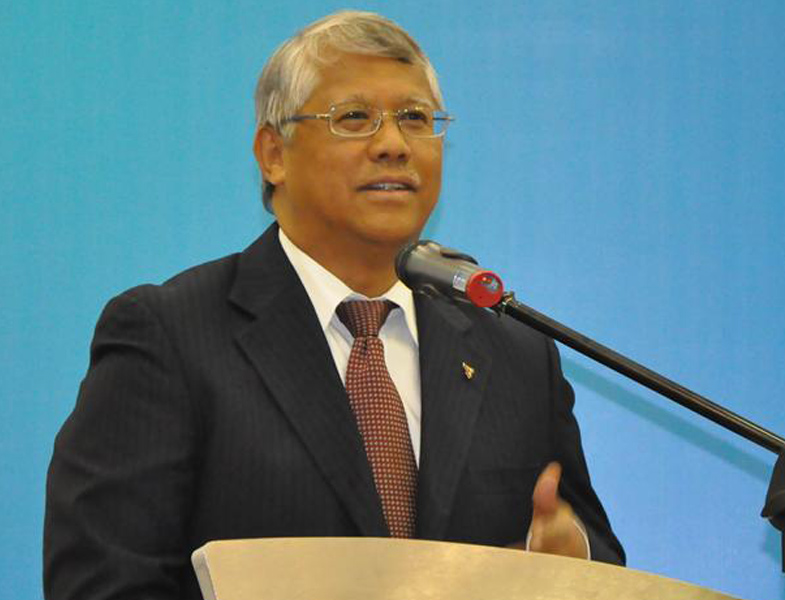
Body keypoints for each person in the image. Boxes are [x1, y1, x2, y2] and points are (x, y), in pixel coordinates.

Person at [44, 10, 624, 600]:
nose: (393, 145)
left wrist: (571, 559)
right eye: (353, 118)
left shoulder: (516, 354)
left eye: (415, 118)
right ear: (273, 154)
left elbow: (599, 556)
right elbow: (101, 583)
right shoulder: (170, 336)